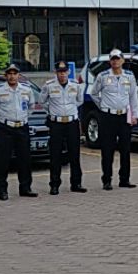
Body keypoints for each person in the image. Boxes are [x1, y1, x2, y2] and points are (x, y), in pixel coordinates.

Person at [0, 64, 37, 200]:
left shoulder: (26, 90)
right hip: (5, 128)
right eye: (9, 73)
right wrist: (4, 120)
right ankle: (2, 190)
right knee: (2, 160)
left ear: (19, 75)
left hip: (22, 126)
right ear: (5, 76)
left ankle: (25, 187)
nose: (12, 76)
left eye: (15, 73)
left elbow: (31, 106)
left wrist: (23, 118)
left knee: (25, 159)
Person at [91, 49, 138, 191]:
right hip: (108, 117)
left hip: (124, 116)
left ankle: (124, 179)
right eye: (113, 59)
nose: (115, 61)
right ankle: (107, 180)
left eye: (117, 59)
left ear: (122, 60)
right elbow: (94, 94)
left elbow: (133, 97)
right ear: (109, 61)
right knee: (107, 149)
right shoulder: (103, 76)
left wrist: (134, 115)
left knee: (125, 149)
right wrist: (103, 106)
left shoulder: (129, 76)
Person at [40, 60, 86, 195]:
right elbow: (42, 102)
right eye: (60, 72)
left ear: (68, 72)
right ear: (56, 73)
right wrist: (54, 112)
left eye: (64, 72)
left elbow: (79, 100)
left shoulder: (75, 85)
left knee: (74, 154)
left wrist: (69, 111)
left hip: (72, 123)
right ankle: (54, 184)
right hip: (56, 124)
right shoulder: (49, 86)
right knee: (55, 155)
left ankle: (76, 183)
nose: (62, 74)